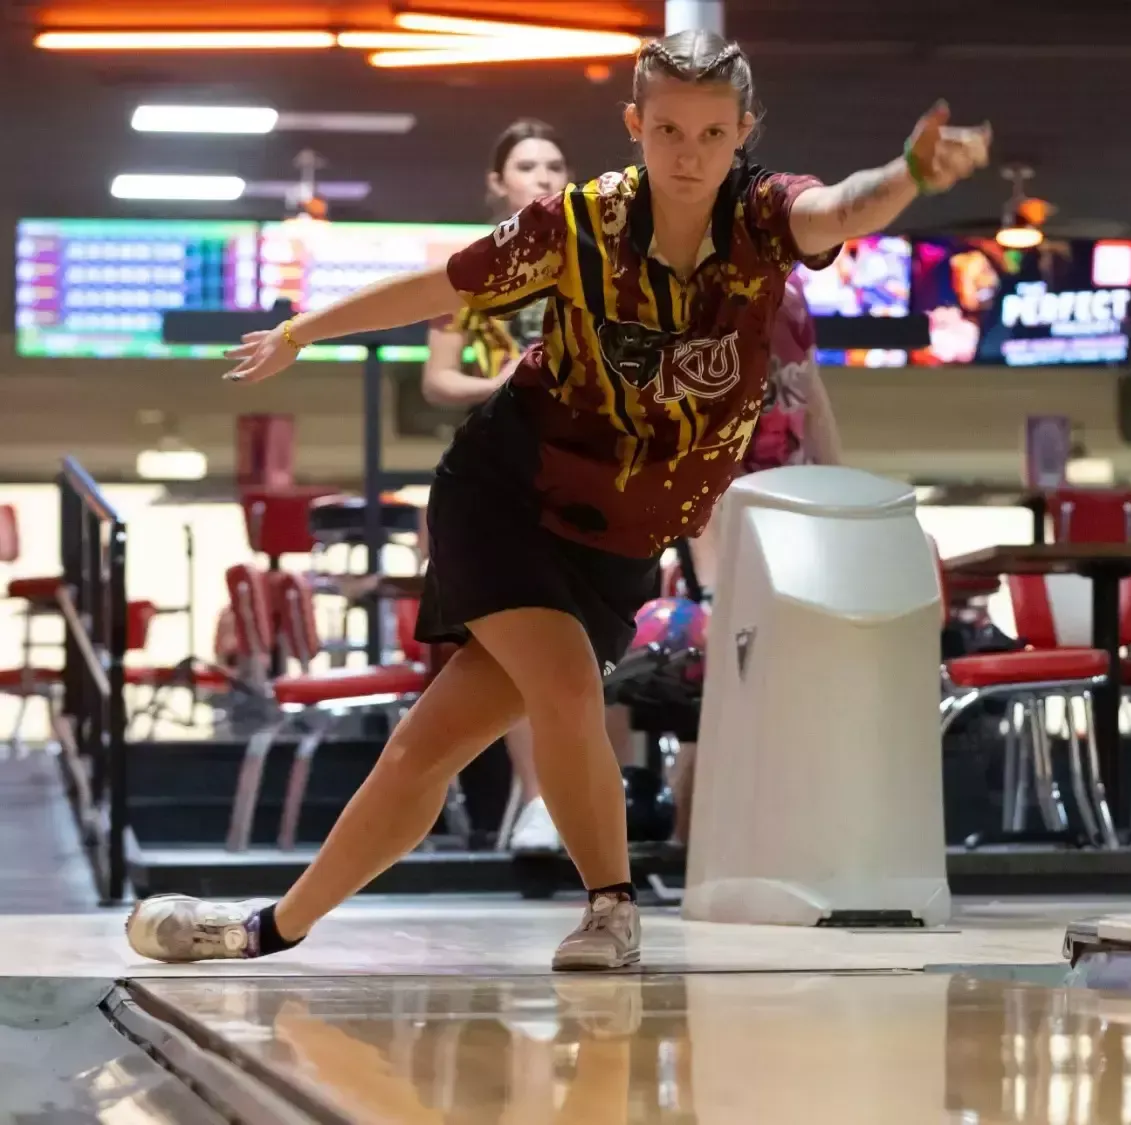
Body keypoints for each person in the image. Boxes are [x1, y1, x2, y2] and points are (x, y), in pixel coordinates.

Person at [125, 30, 991, 968]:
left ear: (744, 131)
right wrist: (302, 329)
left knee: (428, 749)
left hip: (620, 536)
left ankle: (265, 928)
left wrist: (909, 171)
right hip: (507, 489)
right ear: (635, 126)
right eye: (667, 129)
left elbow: (844, 208)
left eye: (710, 132)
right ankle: (611, 909)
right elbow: (440, 283)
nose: (688, 153)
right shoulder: (576, 223)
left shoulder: (766, 216)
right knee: (570, 681)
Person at [422, 118, 571, 854]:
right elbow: (437, 378)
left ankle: (573, 797)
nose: (544, 176)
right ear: (498, 182)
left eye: (554, 164)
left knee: (584, 640)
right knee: (514, 642)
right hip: (498, 467)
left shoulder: (590, 260)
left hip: (583, 465)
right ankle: (538, 795)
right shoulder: (473, 268)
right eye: (527, 165)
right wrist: (500, 378)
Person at [668, 269, 841, 846]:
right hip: (717, 512)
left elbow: (813, 400)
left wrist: (841, 499)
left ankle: (784, 836)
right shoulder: (698, 302)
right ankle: (692, 847)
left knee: (783, 682)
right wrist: (713, 587)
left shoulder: (791, 302)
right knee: (721, 686)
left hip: (788, 512)